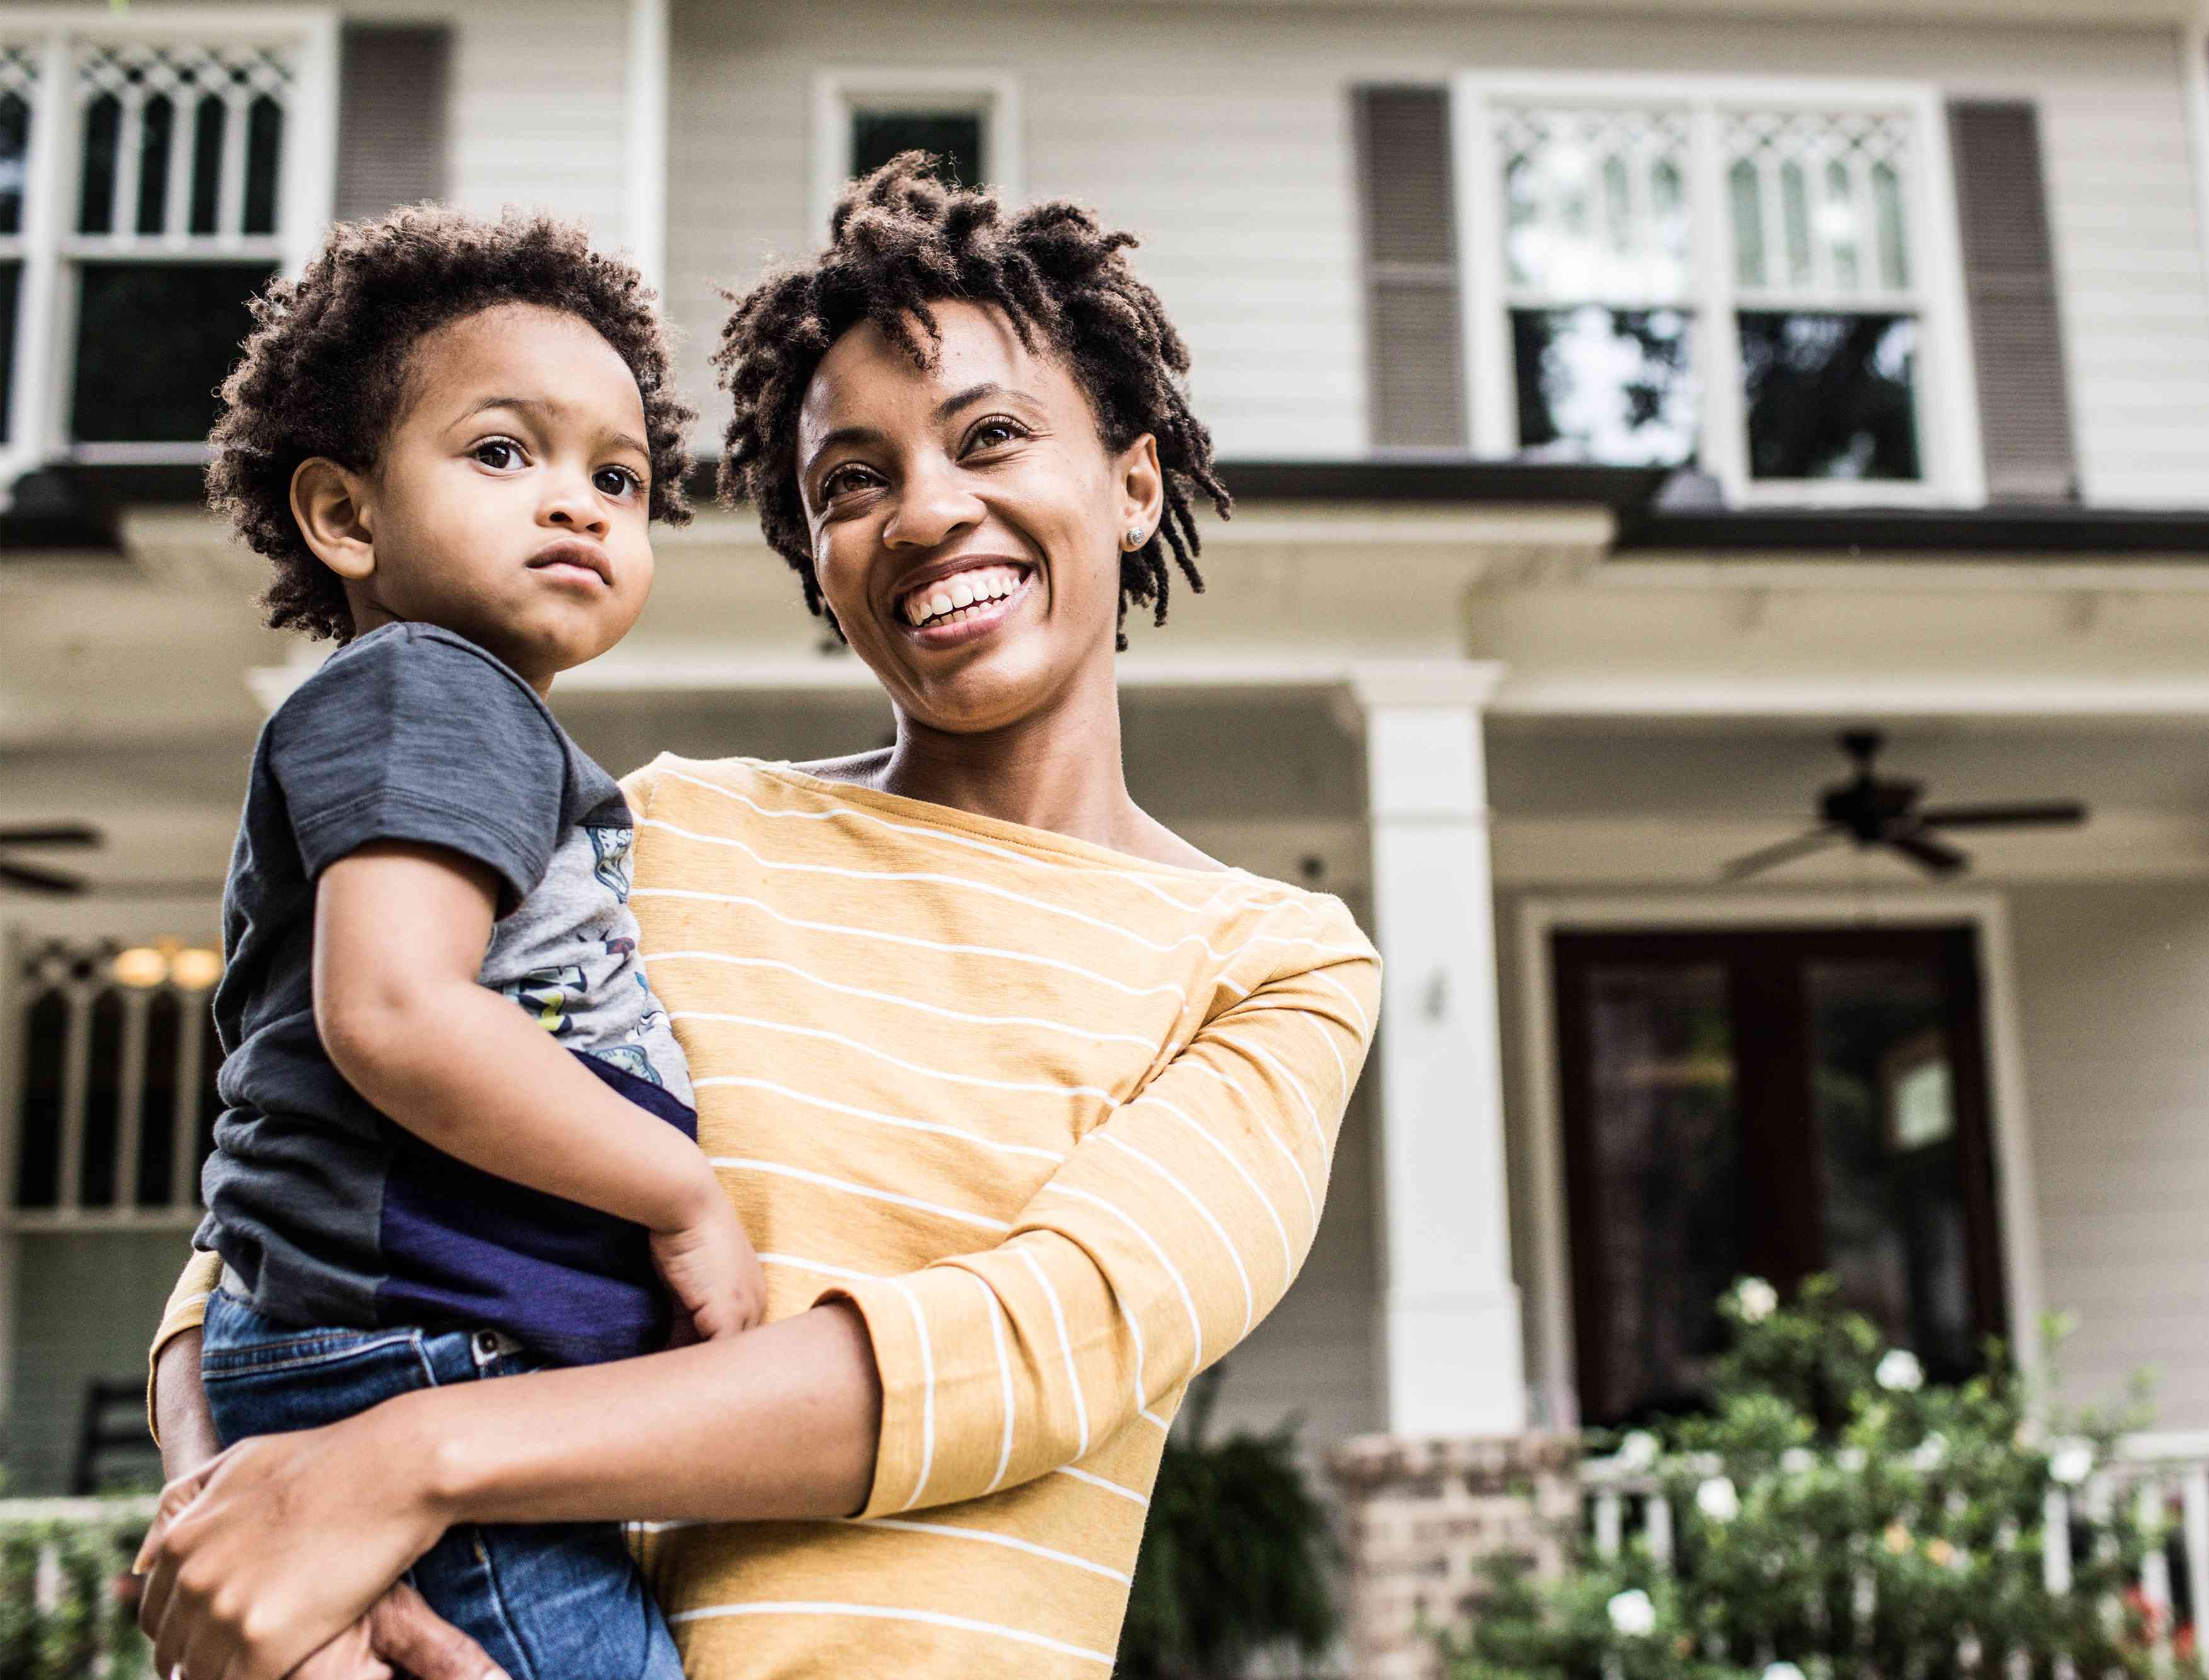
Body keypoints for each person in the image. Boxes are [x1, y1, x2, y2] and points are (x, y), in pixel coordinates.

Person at [139, 155, 1382, 1680]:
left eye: (991, 435)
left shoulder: (1271, 964)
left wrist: (403, 1464)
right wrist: (255, 1535)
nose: (925, 511)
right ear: (817, 558)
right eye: (849, 481)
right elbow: (287, 1166)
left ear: (1132, 483)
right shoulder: (661, 832)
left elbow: (1026, 1357)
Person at [165, 207, 771, 1680]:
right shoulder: (432, 689)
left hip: (408, 1357)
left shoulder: (451, 715)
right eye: (504, 452)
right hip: (418, 1353)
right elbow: (395, 1010)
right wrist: (679, 1192)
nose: (573, 501)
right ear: (347, 515)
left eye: (615, 477)